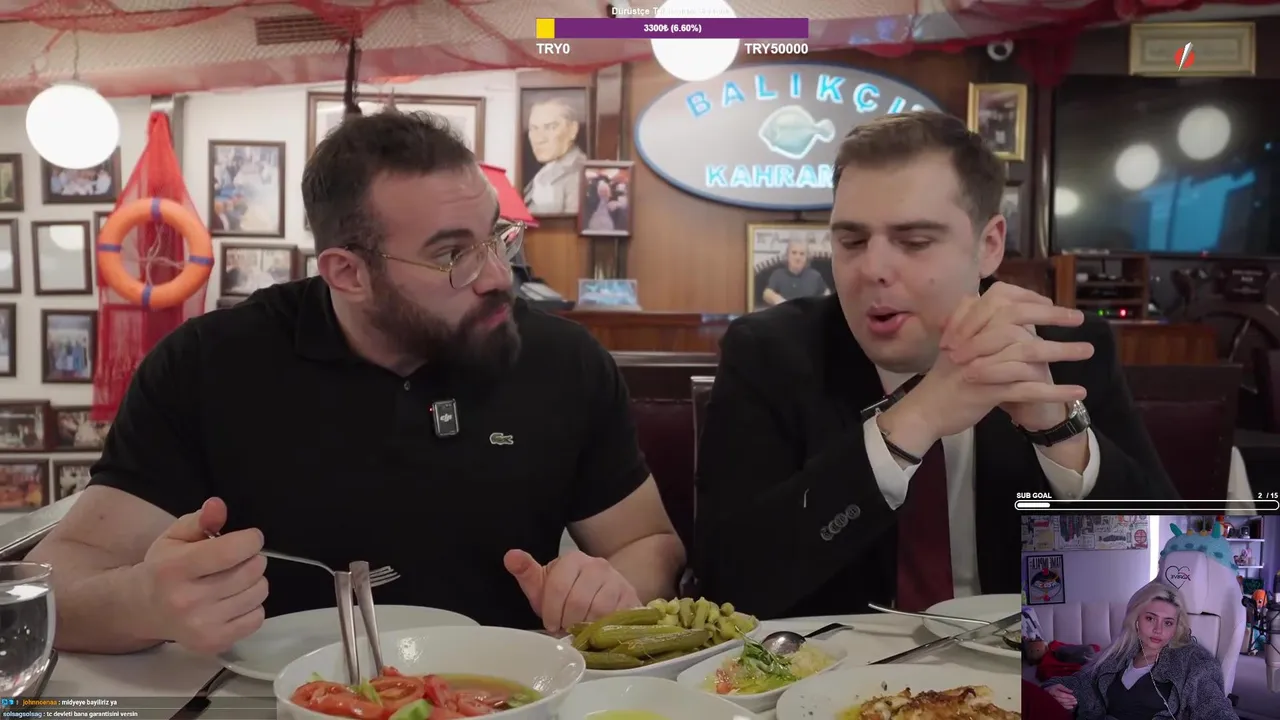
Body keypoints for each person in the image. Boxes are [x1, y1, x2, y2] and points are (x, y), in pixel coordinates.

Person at [26, 110, 685, 655]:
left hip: (510, 693)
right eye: (454, 254)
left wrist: (609, 589)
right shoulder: (206, 365)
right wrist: (144, 602)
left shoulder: (562, 361)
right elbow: (56, 581)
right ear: (347, 273)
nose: (495, 278)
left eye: (496, 238)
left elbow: (648, 543)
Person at [694, 111, 1176, 620]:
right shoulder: (770, 353)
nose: (873, 270)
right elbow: (726, 585)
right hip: (836, 664)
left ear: (989, 246)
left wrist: (1059, 434)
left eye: (915, 242)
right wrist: (912, 422)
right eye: (852, 241)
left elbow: (1171, 573)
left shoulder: (1061, 350)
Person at [1042, 582, 1237, 720]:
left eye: (1168, 623)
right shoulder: (1118, 655)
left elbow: (1214, 707)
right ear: (1135, 619)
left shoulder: (1193, 662)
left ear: (1176, 627)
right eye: (1150, 619)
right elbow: (1080, 682)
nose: (1158, 630)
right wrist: (1053, 689)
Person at [523, 97, 587, 214]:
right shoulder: (549, 167)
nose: (539, 139)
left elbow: (572, 224)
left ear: (573, 130)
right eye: (534, 128)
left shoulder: (581, 174)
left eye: (550, 127)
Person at [762, 238, 829, 306]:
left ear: (807, 257)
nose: (798, 257)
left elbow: (826, 293)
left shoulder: (815, 276)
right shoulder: (778, 274)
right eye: (794, 253)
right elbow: (766, 293)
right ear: (787, 255)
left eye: (802, 254)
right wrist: (778, 300)